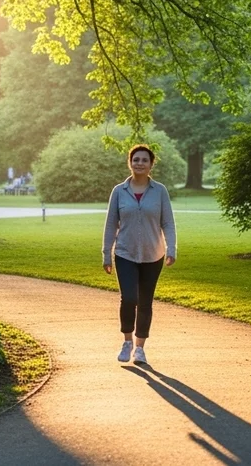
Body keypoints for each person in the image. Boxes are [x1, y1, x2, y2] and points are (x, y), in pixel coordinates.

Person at [102, 144, 176, 365]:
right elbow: (110, 225)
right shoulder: (118, 191)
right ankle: (127, 341)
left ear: (151, 164)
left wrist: (171, 249)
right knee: (129, 298)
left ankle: (140, 348)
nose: (140, 163)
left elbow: (168, 223)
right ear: (130, 162)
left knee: (145, 301)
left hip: (154, 254)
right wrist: (107, 254)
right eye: (136, 160)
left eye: (144, 160)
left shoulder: (160, 191)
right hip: (125, 252)